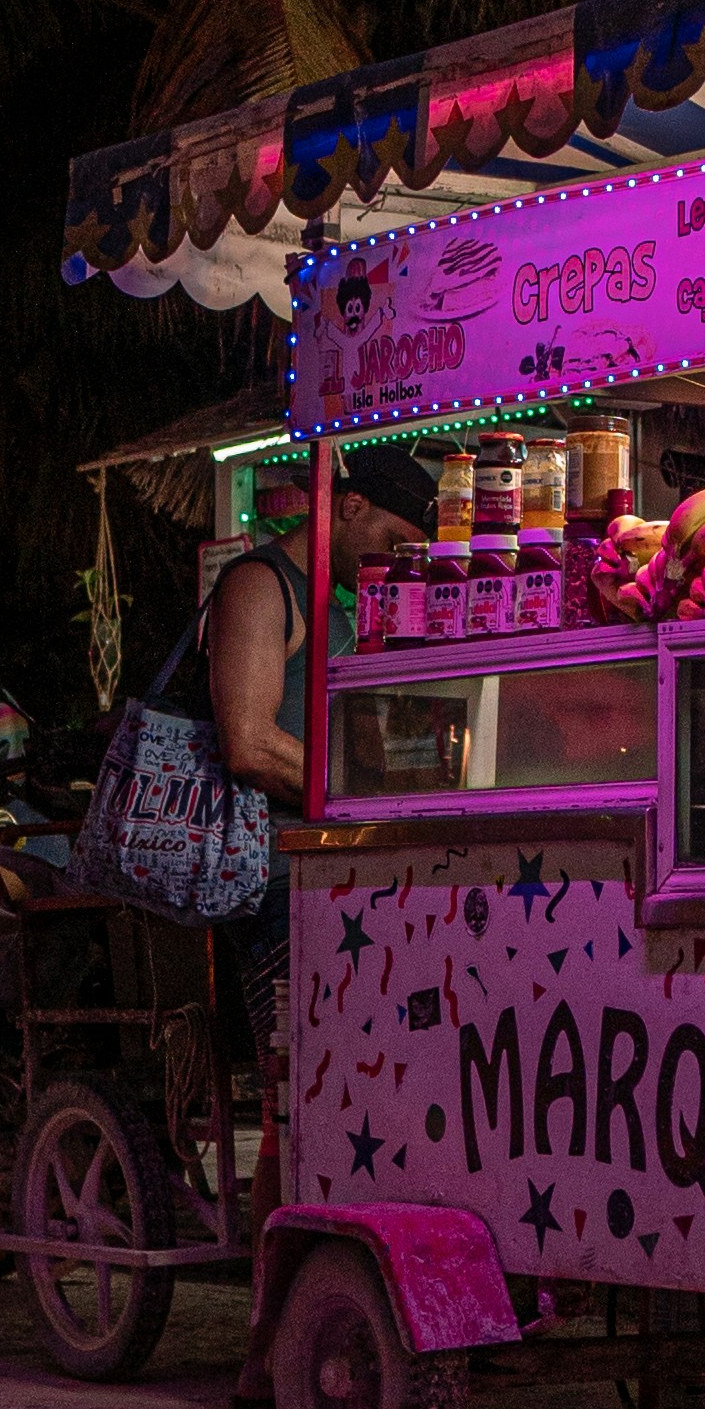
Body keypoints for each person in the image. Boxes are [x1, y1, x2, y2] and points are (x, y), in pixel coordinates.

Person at [200, 453, 433, 1130]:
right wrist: (360, 797)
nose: (394, 563)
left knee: (363, 1079)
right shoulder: (259, 584)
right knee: (303, 1086)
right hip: (276, 880)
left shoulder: (339, 610)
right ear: (351, 506)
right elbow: (248, 742)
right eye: (393, 544)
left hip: (336, 872)